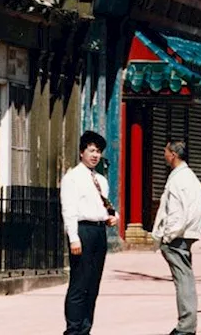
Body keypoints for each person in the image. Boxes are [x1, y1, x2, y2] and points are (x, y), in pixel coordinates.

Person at [60, 131, 120, 335]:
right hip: (82, 230)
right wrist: (74, 238)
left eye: (98, 151)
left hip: (98, 231)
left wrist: (113, 216)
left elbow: (105, 206)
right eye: (91, 150)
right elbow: (68, 210)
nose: (95, 155)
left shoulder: (101, 180)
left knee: (93, 284)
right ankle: (73, 329)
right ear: (81, 152)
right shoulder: (72, 178)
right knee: (79, 283)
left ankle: (86, 328)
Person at [151, 141, 201, 335]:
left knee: (183, 281)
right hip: (187, 233)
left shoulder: (178, 180)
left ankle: (186, 326)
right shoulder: (190, 178)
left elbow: (175, 212)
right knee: (186, 280)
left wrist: (168, 235)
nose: (164, 155)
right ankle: (187, 324)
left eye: (165, 152)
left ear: (173, 154)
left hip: (178, 236)